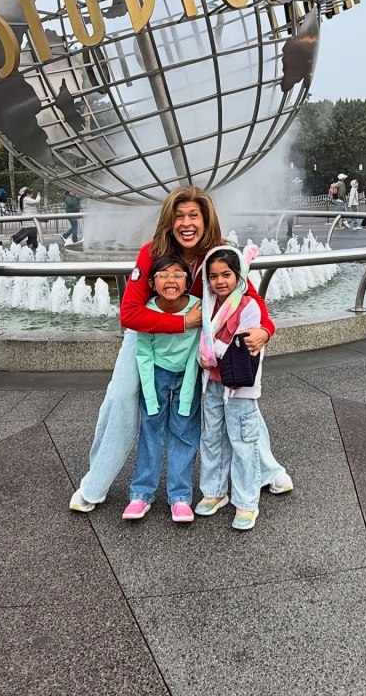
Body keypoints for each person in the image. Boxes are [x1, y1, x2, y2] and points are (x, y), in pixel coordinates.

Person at [70, 185, 291, 512]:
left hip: (200, 342)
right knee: (120, 395)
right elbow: (129, 313)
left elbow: (250, 299)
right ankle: (95, 484)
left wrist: (265, 330)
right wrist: (181, 322)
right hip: (150, 337)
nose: (186, 223)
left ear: (206, 219)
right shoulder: (151, 252)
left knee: (239, 400)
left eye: (194, 215)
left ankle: (267, 470)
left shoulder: (219, 254)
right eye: (179, 216)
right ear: (169, 221)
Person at [196, 245, 279, 531]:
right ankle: (215, 491)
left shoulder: (248, 306)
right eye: (214, 276)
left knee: (243, 442)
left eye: (226, 274)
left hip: (239, 388)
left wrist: (208, 349)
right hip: (212, 385)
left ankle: (246, 502)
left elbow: (241, 347)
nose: (220, 281)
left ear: (238, 275)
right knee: (212, 437)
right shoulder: (206, 304)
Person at [121, 254, 201, 523]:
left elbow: (196, 350)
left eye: (178, 274)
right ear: (152, 283)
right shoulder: (148, 311)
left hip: (188, 376)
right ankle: (141, 494)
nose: (171, 280)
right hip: (155, 376)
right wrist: (150, 393)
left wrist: (189, 387)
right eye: (163, 275)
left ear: (188, 282)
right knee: (150, 429)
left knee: (184, 432)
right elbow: (143, 354)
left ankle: (180, 497)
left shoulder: (198, 308)